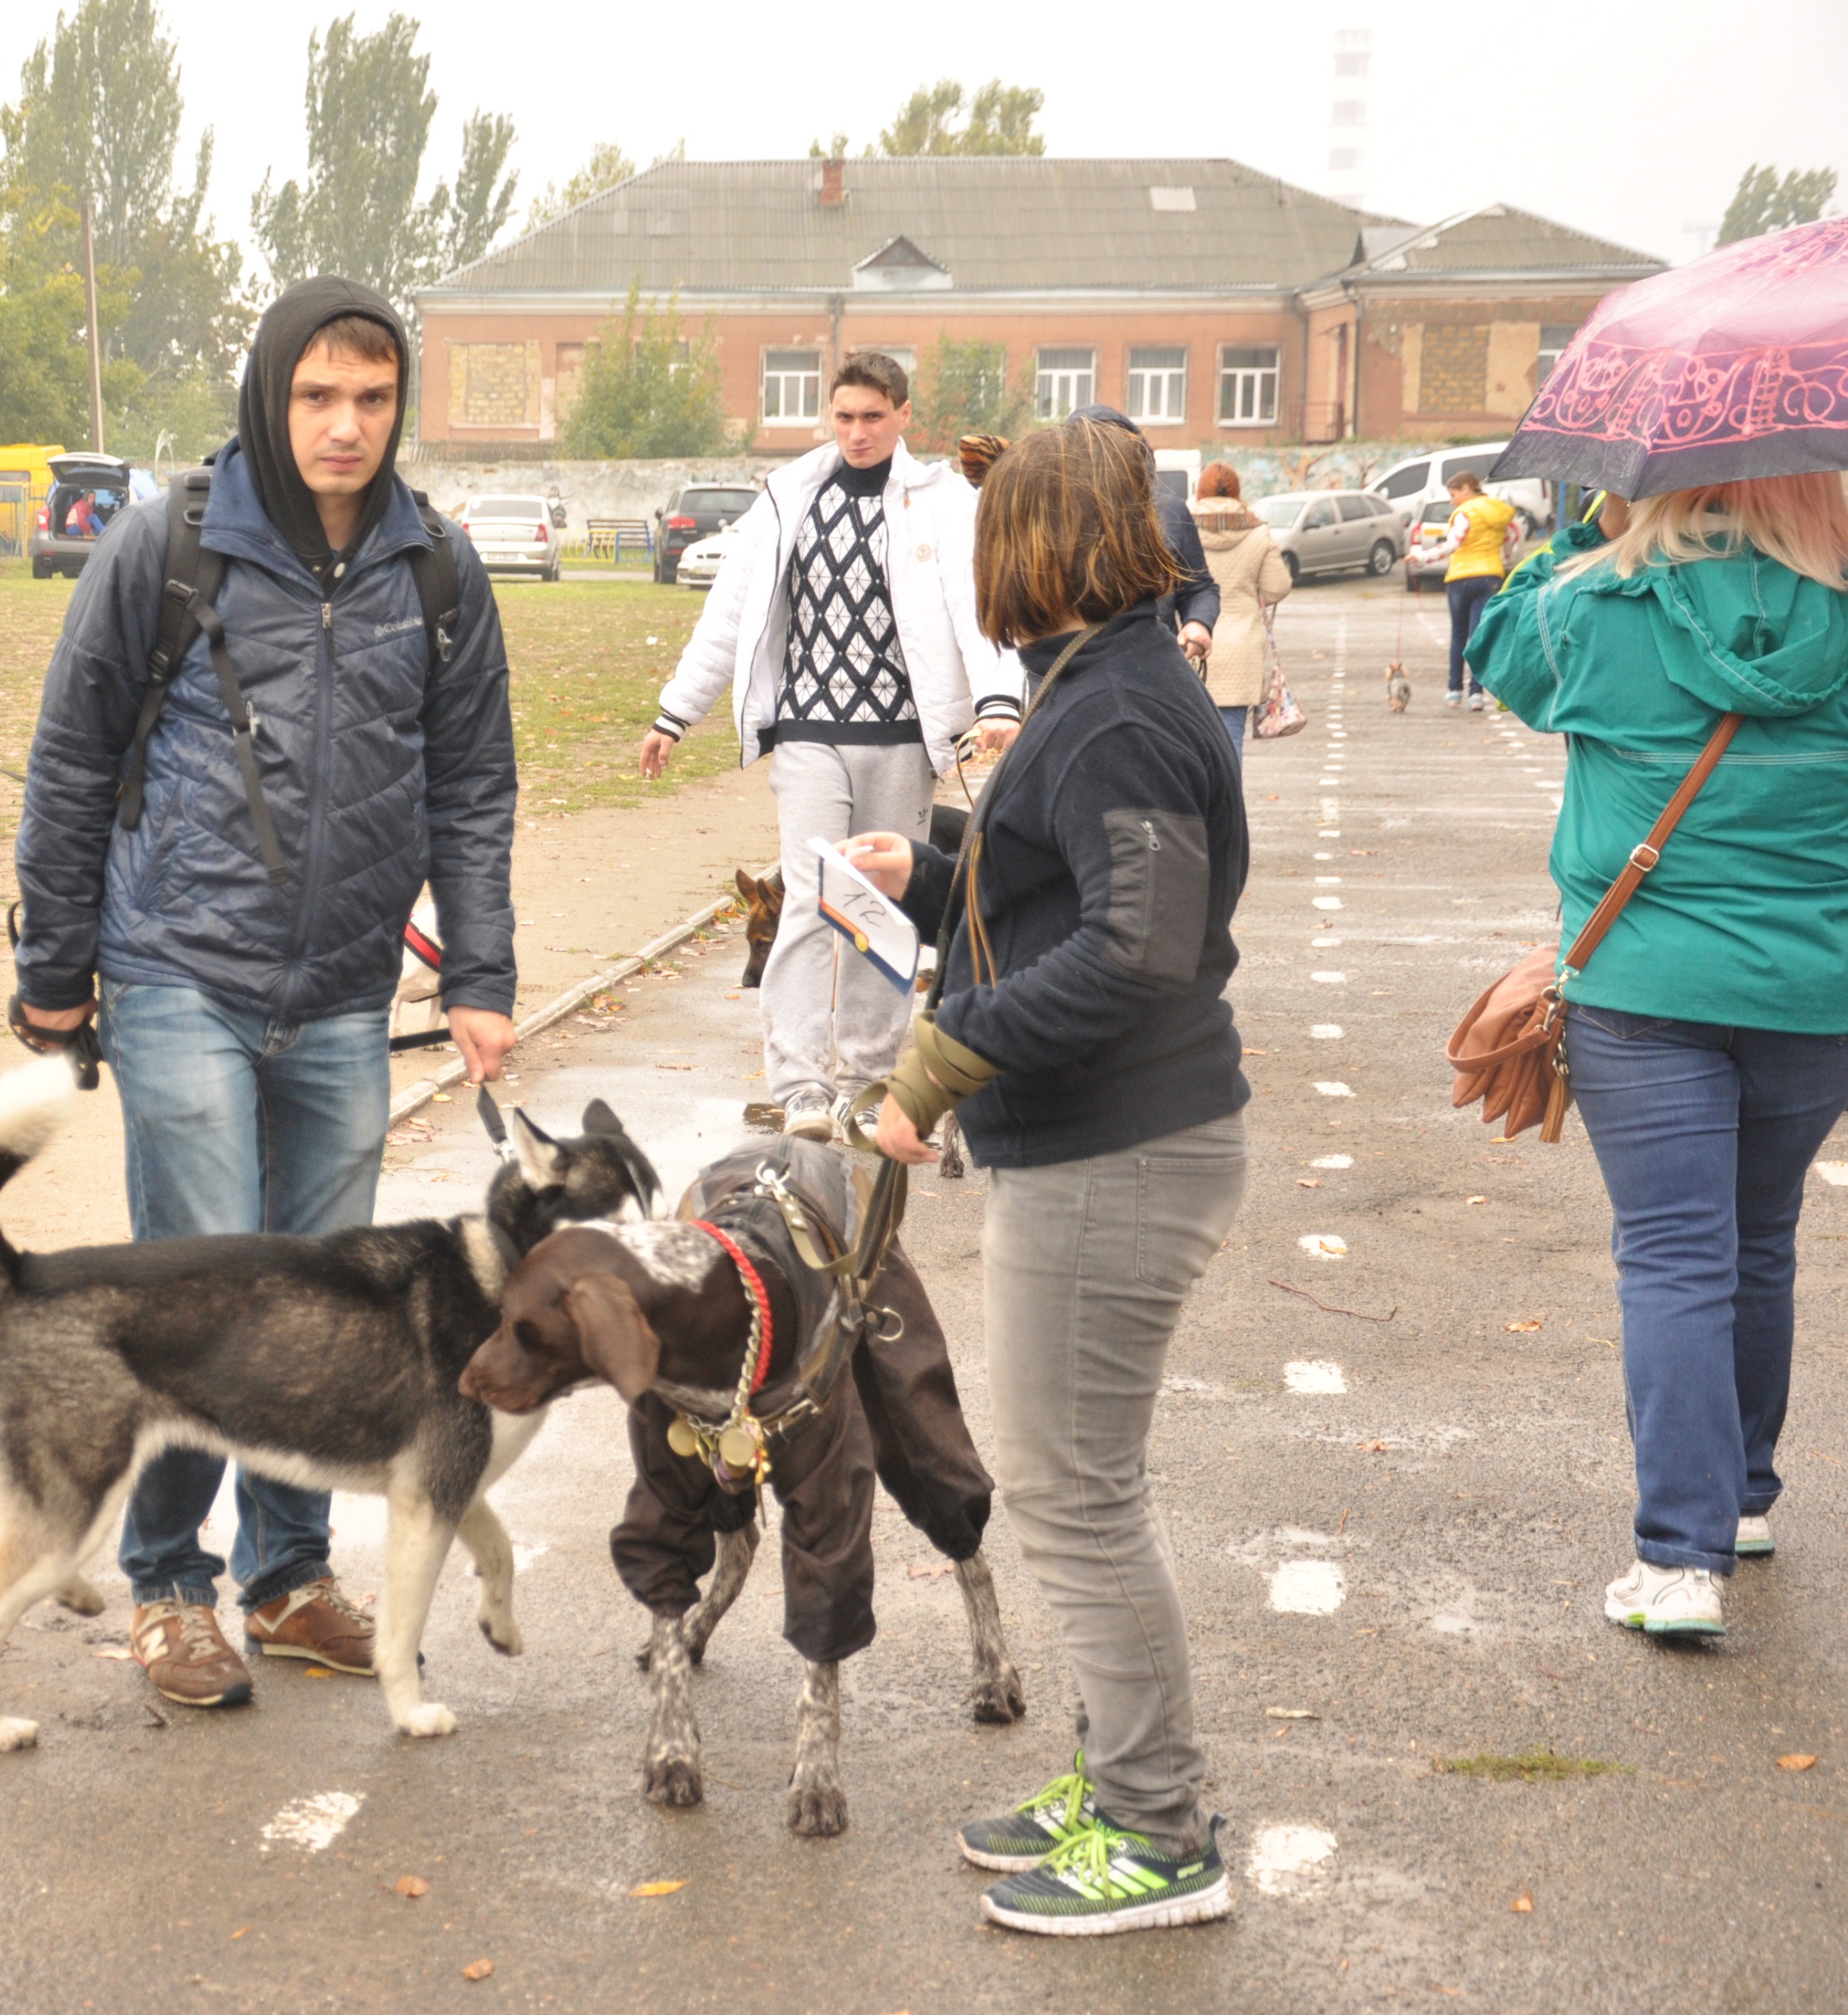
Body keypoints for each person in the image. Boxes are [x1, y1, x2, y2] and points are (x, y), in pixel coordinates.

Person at [11, 276, 520, 1711]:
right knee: (213, 1294)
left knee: (331, 1307)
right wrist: (55, 974)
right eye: (317, 396)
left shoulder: (439, 571)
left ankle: (290, 1576)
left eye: (373, 398)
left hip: (349, 988)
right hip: (180, 966)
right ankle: (171, 1589)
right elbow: (71, 757)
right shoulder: (169, 544)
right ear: (270, 393)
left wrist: (479, 971)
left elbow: (474, 786)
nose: (346, 425)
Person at [839, 416, 1250, 1935]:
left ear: (1037, 540)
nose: (971, 561)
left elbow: (1138, 952)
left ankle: (1155, 1829)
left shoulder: (1119, 706)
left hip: (1117, 1150)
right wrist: (938, 875)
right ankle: (1123, 1774)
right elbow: (1078, 900)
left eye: (986, 531)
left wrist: (940, 1059)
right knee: (1086, 1489)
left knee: (1077, 1499)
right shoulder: (1103, 677)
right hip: (1097, 1140)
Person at [1472, 473, 1848, 1637]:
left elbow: (1496, 646)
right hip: (1817, 988)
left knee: (1676, 1255)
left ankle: (1681, 1559)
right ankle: (1741, 1499)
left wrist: (1587, 525)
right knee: (1760, 1238)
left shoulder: (1596, 607)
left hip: (1642, 986)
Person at [638, 351, 1023, 1140]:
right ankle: (801, 1087)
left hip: (902, 738)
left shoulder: (943, 504)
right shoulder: (788, 497)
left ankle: (867, 1077)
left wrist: (996, 701)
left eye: (873, 417)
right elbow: (731, 612)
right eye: (844, 417)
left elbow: (974, 602)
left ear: (904, 416)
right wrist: (675, 713)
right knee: (817, 898)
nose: (857, 432)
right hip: (809, 732)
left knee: (878, 906)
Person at [1076, 404, 1219, 666]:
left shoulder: (1170, 512)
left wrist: (1198, 622)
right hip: (1073, 671)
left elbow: (1199, 587)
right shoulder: (1051, 520)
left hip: (1157, 667)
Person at [1188, 464, 1293, 750]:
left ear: (1200, 492)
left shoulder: (1183, 527)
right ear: (1237, 492)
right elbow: (1278, 586)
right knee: (1231, 739)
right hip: (1241, 650)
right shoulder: (1257, 531)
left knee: (1190, 742)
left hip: (1191, 643)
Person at [1416, 469, 1520, 706]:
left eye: (1453, 495)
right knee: (1479, 637)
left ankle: (1454, 690)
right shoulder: (1498, 511)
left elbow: (1453, 543)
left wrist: (1423, 558)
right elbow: (1511, 539)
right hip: (1490, 577)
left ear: (1465, 488)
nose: (1452, 501)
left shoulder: (1465, 513)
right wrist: (1504, 560)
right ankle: (1476, 694)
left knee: (1459, 635)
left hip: (1461, 578)